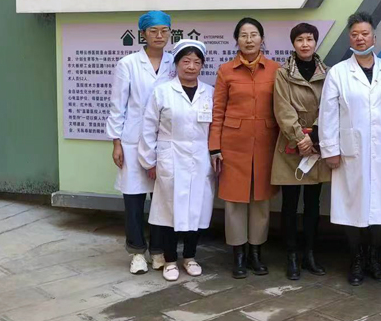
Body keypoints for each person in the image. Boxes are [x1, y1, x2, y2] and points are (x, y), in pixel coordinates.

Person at [318, 12, 381, 286]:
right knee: (352, 206)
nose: (360, 38)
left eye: (365, 33)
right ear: (349, 38)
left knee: (380, 207)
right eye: (355, 34)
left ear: (374, 36)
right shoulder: (338, 72)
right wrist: (330, 149)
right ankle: (355, 259)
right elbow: (328, 114)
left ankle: (375, 259)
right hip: (349, 152)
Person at [138, 40, 215, 281]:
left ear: (202, 65)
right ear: (177, 64)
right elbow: (148, 127)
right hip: (170, 157)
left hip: (200, 158)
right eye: (186, 61)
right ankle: (170, 260)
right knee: (169, 212)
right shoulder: (162, 92)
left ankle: (190, 257)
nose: (191, 67)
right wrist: (149, 161)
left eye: (196, 62)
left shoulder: (209, 92)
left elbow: (215, 129)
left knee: (196, 210)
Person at [209, 18, 280, 279]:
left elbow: (282, 108)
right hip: (233, 146)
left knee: (261, 201)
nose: (249, 40)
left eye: (253, 34)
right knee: (234, 202)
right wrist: (214, 147)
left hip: (266, 144)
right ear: (236, 40)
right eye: (243, 35)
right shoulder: (226, 71)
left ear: (262, 39)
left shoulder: (275, 70)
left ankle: (256, 253)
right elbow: (217, 111)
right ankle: (238, 254)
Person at [106, 10, 175, 275]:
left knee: (161, 199)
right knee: (133, 199)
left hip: (165, 140)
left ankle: (158, 250)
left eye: (164, 31)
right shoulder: (128, 64)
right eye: (153, 31)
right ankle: (136, 252)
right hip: (132, 140)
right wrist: (116, 142)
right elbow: (118, 105)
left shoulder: (174, 62)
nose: (159, 35)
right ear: (143, 34)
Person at [272, 23, 332, 280]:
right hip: (290, 145)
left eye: (309, 39)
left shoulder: (328, 73)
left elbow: (330, 106)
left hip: (317, 144)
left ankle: (310, 253)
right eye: (300, 40)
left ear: (316, 42)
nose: (305, 44)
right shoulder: (283, 73)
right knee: (289, 204)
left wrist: (314, 136)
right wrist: (299, 138)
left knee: (312, 204)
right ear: (293, 43)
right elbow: (282, 108)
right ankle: (292, 256)